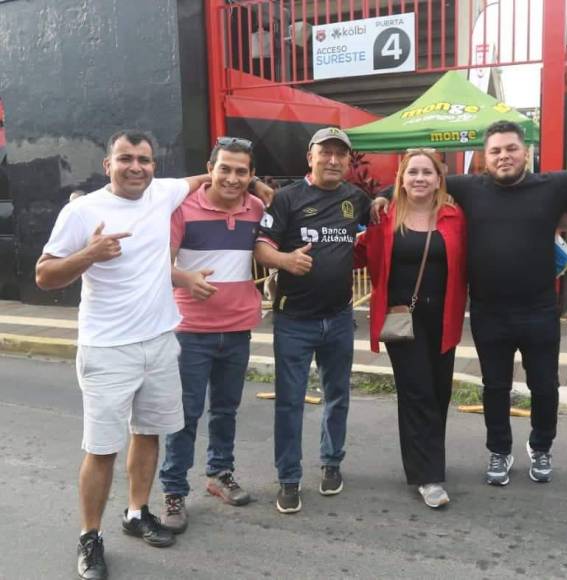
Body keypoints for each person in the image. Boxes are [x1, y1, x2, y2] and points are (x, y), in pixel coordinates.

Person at [371, 120, 567, 488]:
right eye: (495, 151)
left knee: (545, 387)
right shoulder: (470, 187)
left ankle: (541, 446)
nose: (503, 156)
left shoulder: (553, 184)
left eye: (511, 148)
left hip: (540, 310)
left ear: (525, 151)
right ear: (485, 156)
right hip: (488, 310)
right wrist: (383, 193)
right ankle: (499, 450)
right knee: (494, 387)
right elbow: (420, 178)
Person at [36, 131, 212, 580]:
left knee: (149, 433)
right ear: (107, 162)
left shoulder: (162, 192)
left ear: (155, 164)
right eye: (126, 159)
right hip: (107, 349)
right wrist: (90, 254)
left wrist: (255, 186)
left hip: (158, 342)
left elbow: (200, 180)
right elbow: (44, 276)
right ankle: (89, 537)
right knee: (102, 449)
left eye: (145, 160)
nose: (136, 167)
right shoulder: (82, 210)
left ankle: (136, 513)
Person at [254, 127, 371, 514]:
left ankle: (331, 463)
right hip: (295, 322)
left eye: (341, 154)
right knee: (289, 403)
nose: (334, 160)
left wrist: (384, 200)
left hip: (339, 318)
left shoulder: (355, 198)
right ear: (311, 157)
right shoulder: (287, 200)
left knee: (338, 396)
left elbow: (377, 221)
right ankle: (289, 479)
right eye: (326, 153)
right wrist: (286, 261)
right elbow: (262, 246)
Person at [158, 137, 269, 533]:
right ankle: (174, 490)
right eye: (225, 168)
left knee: (226, 409)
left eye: (242, 171)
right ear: (211, 168)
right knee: (184, 414)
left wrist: (262, 190)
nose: (233, 178)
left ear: (251, 175)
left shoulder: (256, 208)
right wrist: (185, 279)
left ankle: (220, 473)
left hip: (237, 329)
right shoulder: (182, 208)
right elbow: (158, 263)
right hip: (190, 331)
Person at [354, 150, 467, 508]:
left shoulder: (454, 216)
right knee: (417, 390)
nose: (419, 178)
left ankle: (426, 458)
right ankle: (429, 476)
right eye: (412, 172)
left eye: (427, 172)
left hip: (444, 318)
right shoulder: (385, 217)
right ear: (401, 179)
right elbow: (359, 252)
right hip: (403, 319)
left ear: (439, 178)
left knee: (439, 391)